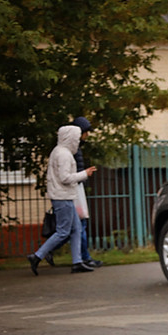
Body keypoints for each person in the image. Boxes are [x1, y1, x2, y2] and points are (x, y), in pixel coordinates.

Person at [27, 125, 98, 275]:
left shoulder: (58, 151)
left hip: (64, 196)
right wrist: (84, 174)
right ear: (70, 138)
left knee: (76, 229)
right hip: (62, 197)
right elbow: (65, 178)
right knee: (63, 231)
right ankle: (37, 256)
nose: (78, 141)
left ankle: (77, 262)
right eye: (76, 138)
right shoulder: (64, 154)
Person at [48, 117, 102, 269]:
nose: (87, 136)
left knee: (74, 226)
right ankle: (81, 258)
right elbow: (67, 175)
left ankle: (77, 258)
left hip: (74, 188)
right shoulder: (70, 150)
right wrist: (84, 175)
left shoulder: (73, 148)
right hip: (73, 189)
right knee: (76, 225)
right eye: (85, 132)